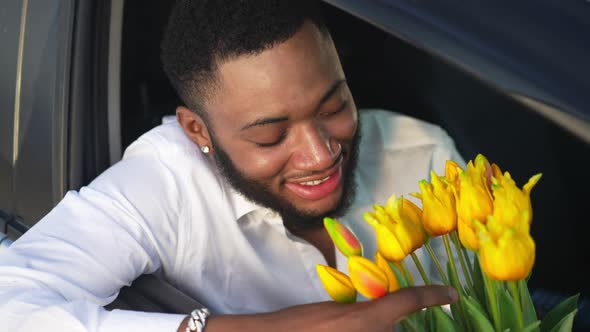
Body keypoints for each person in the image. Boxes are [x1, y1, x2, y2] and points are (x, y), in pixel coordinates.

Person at [0, 1, 464, 331]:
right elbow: (10, 304)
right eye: (270, 135)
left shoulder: (422, 154)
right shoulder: (167, 181)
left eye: (333, 106)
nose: (321, 155)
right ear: (197, 131)